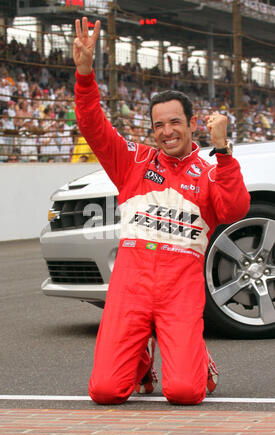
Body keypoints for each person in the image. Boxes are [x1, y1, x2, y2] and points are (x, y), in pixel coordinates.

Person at [73, 18, 250, 405]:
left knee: (186, 393)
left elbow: (235, 210)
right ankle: (141, 364)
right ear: (151, 130)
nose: (167, 131)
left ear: (191, 125)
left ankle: (200, 362)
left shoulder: (210, 170)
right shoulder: (133, 161)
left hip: (181, 286)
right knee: (104, 392)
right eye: (158, 125)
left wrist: (223, 152)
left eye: (175, 122)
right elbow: (91, 124)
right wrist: (85, 73)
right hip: (131, 282)